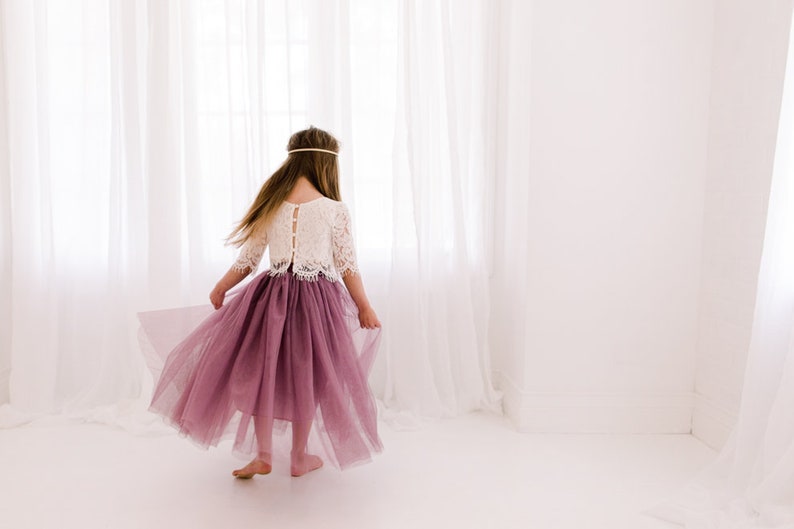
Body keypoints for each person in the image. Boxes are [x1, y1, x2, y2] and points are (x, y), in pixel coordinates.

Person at [142, 126, 383, 478]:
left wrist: (222, 286)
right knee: (309, 376)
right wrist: (363, 305)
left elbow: (248, 259)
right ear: (326, 165)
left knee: (261, 373)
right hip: (318, 305)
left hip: (270, 301)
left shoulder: (274, 204)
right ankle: (299, 457)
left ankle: (265, 454)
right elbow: (348, 266)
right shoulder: (335, 210)